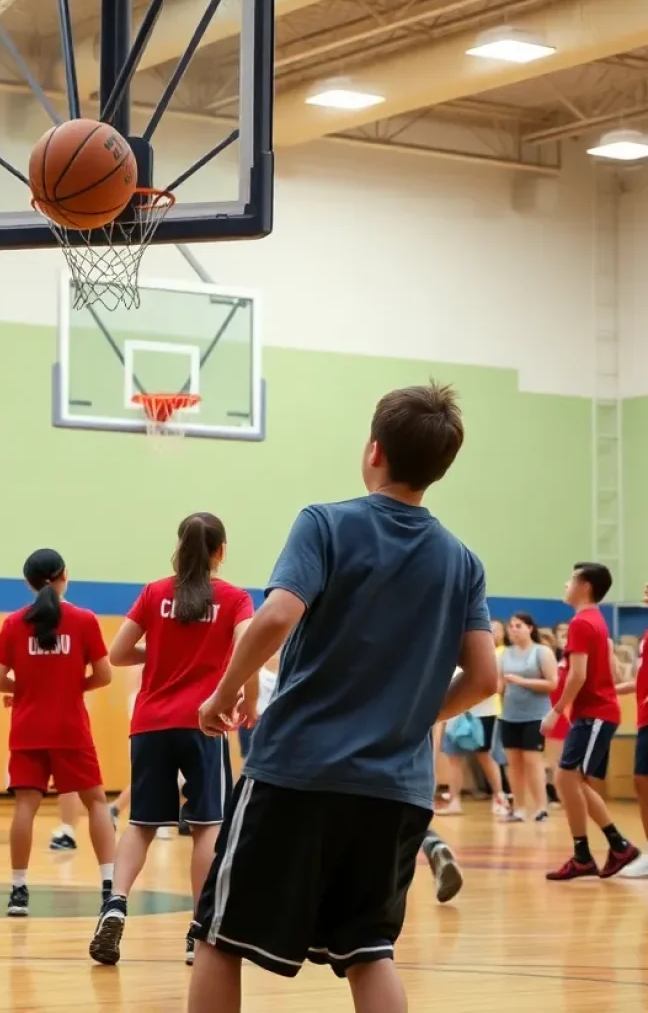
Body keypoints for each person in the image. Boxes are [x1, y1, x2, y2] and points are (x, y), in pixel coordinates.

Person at [188, 383, 498, 1013]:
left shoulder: (326, 522)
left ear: (373, 450)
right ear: (440, 469)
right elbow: (486, 679)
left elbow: (276, 615)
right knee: (369, 949)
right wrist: (411, 716)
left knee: (219, 938)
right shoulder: (463, 562)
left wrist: (222, 692)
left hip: (298, 773)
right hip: (394, 790)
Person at [89, 513, 254, 968]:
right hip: (206, 723)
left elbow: (118, 653)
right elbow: (248, 648)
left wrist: (160, 651)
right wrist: (244, 696)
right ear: (221, 550)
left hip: (150, 723)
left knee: (142, 823)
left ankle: (116, 904)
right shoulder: (234, 598)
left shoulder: (155, 592)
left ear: (180, 545)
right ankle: (198, 931)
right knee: (206, 826)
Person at [0, 548, 117, 917]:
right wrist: (73, 688)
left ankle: (18, 891)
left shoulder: (14, 623)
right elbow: (105, 675)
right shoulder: (84, 619)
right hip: (71, 728)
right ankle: (109, 888)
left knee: (25, 807)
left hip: (27, 729)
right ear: (64, 575)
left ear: (28, 583)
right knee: (94, 802)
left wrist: (26, 691)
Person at [542, 563, 640, 880]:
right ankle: (608, 848)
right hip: (594, 714)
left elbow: (579, 675)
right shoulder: (592, 622)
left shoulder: (582, 623)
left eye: (571, 579)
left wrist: (557, 710)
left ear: (585, 586)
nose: (566, 584)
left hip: (595, 714)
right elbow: (604, 676)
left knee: (567, 779)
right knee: (571, 780)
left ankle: (599, 851)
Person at [498, 612, 557, 823]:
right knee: (513, 763)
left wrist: (522, 681)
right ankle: (519, 809)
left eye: (518, 625)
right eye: (511, 626)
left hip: (536, 716)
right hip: (509, 715)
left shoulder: (542, 652)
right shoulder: (504, 654)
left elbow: (552, 683)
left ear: (530, 628)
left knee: (532, 761)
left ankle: (541, 807)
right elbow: (499, 686)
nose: (513, 629)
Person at [616, 582, 648, 878]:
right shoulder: (646, 634)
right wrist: (615, 689)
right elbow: (642, 677)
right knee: (641, 780)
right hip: (644, 716)